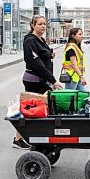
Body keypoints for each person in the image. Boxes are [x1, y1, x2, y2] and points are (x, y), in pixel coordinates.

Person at [15, 15, 62, 149]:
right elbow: (37, 64)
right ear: (33, 25)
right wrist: (53, 80)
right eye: (40, 24)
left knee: (35, 109)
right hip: (34, 80)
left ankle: (20, 138)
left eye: (44, 24)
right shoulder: (30, 41)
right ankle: (19, 138)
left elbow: (43, 56)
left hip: (42, 80)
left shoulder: (40, 40)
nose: (43, 26)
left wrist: (49, 55)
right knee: (31, 109)